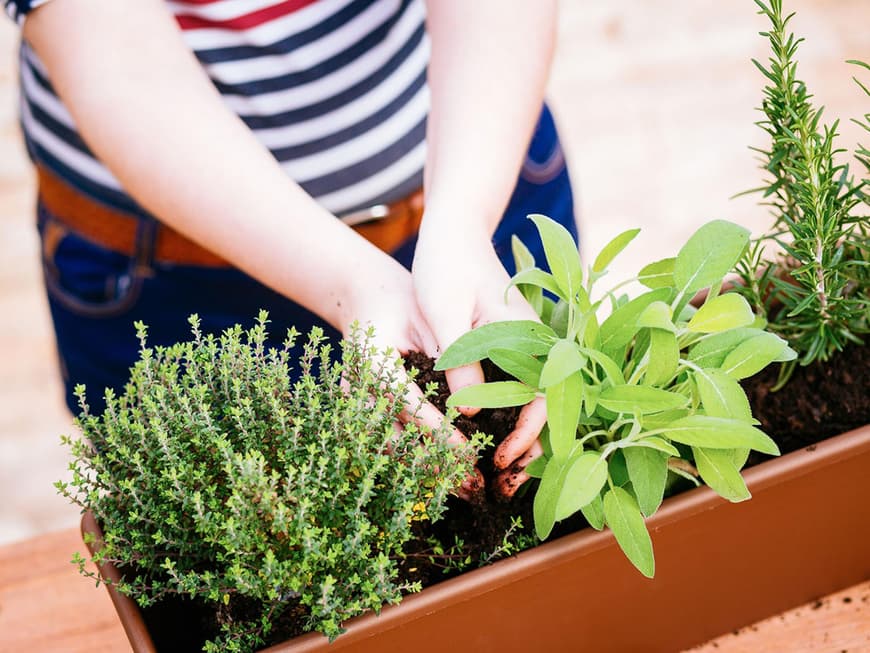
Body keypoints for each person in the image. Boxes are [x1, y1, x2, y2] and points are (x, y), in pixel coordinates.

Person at [5, 0, 577, 497]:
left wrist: (463, 220)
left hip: (476, 172)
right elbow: (112, 53)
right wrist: (352, 281)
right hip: (177, 280)